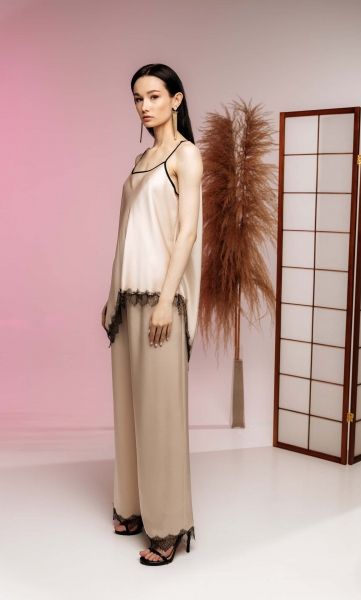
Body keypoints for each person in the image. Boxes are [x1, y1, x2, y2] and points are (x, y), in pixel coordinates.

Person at [101, 63, 203, 566]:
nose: (144, 106)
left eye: (154, 96)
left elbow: (187, 232)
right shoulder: (141, 159)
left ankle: (168, 527)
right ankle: (134, 506)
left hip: (162, 302)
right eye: (138, 98)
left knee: (160, 413)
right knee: (130, 409)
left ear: (176, 100)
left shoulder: (186, 155)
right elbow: (128, 232)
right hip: (128, 299)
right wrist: (111, 295)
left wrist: (166, 299)